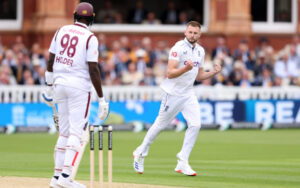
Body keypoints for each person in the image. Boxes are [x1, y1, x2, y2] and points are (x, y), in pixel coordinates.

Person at [133, 21, 222, 176]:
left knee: (195, 125)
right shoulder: (178, 48)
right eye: (190, 32)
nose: (192, 35)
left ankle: (183, 161)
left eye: (195, 33)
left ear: (199, 34)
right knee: (160, 125)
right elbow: (170, 73)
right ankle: (140, 152)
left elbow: (199, 75)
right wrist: (185, 68)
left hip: (188, 93)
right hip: (173, 93)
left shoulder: (200, 51)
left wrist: (213, 73)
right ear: (185, 32)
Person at [42, 2, 109, 188]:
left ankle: (56, 178)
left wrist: (48, 86)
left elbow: (50, 59)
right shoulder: (90, 37)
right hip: (79, 87)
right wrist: (102, 98)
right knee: (76, 133)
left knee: (63, 133)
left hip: (59, 85)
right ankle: (65, 177)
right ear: (92, 18)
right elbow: (93, 69)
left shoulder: (61, 30)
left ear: (75, 16)